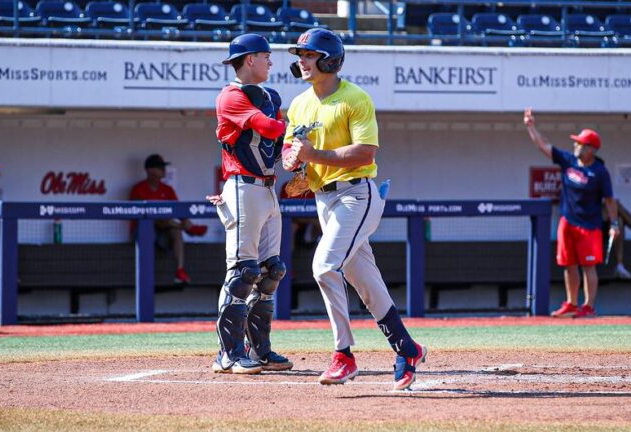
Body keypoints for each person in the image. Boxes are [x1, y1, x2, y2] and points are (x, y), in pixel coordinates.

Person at [283, 28, 427, 391]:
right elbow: (290, 148)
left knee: (323, 267)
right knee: (365, 282)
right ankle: (407, 349)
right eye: (300, 56)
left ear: (329, 60)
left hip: (356, 195)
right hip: (323, 199)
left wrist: (314, 155)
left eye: (309, 55)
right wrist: (294, 162)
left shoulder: (355, 98)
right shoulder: (299, 104)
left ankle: (343, 354)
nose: (302, 61)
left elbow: (365, 152)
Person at [207, 33, 292, 375]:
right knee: (245, 271)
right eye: (265, 55)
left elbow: (280, 143)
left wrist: (296, 156)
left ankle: (261, 350)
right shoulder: (230, 96)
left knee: (272, 270)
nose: (270, 61)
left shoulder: (271, 96)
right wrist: (296, 129)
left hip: (269, 188)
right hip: (242, 187)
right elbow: (269, 128)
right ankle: (228, 353)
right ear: (250, 59)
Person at [524, 108, 620, 318]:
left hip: (590, 225)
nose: (576, 146)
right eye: (576, 143)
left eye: (581, 144)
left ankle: (588, 306)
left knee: (588, 266)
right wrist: (531, 127)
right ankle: (572, 303)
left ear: (591, 149)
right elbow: (543, 145)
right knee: (568, 265)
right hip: (568, 221)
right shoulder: (568, 160)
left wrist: (614, 224)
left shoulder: (600, 172)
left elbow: (610, 200)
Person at [129, 153, 207, 285]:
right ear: (150, 170)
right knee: (161, 225)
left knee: (175, 230)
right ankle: (146, 276)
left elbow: (178, 209)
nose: (163, 170)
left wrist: (185, 221)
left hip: (163, 231)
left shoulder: (167, 189)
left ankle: (180, 271)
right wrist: (177, 224)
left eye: (163, 167)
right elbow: (144, 216)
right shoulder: (138, 189)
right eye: (159, 167)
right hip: (142, 232)